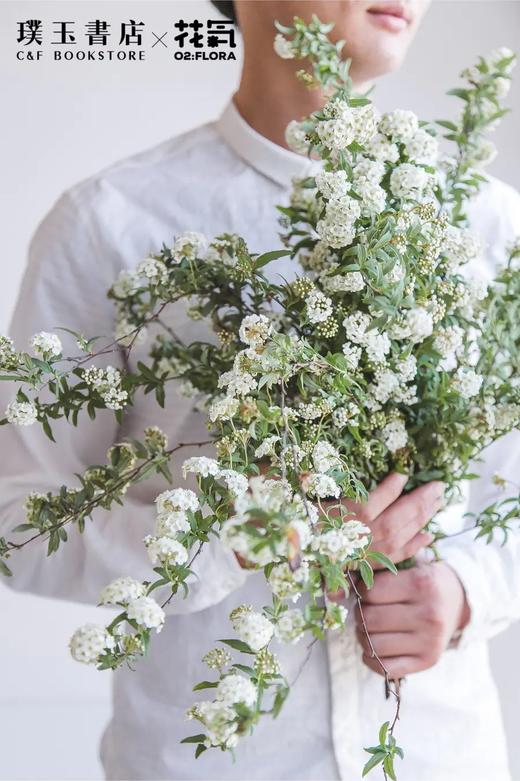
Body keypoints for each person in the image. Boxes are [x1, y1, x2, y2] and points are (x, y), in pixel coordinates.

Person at [1, 1, 519, 779]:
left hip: (444, 755)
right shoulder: (113, 222)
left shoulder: (486, 225)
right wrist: (237, 533)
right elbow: (17, 518)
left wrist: (466, 591)